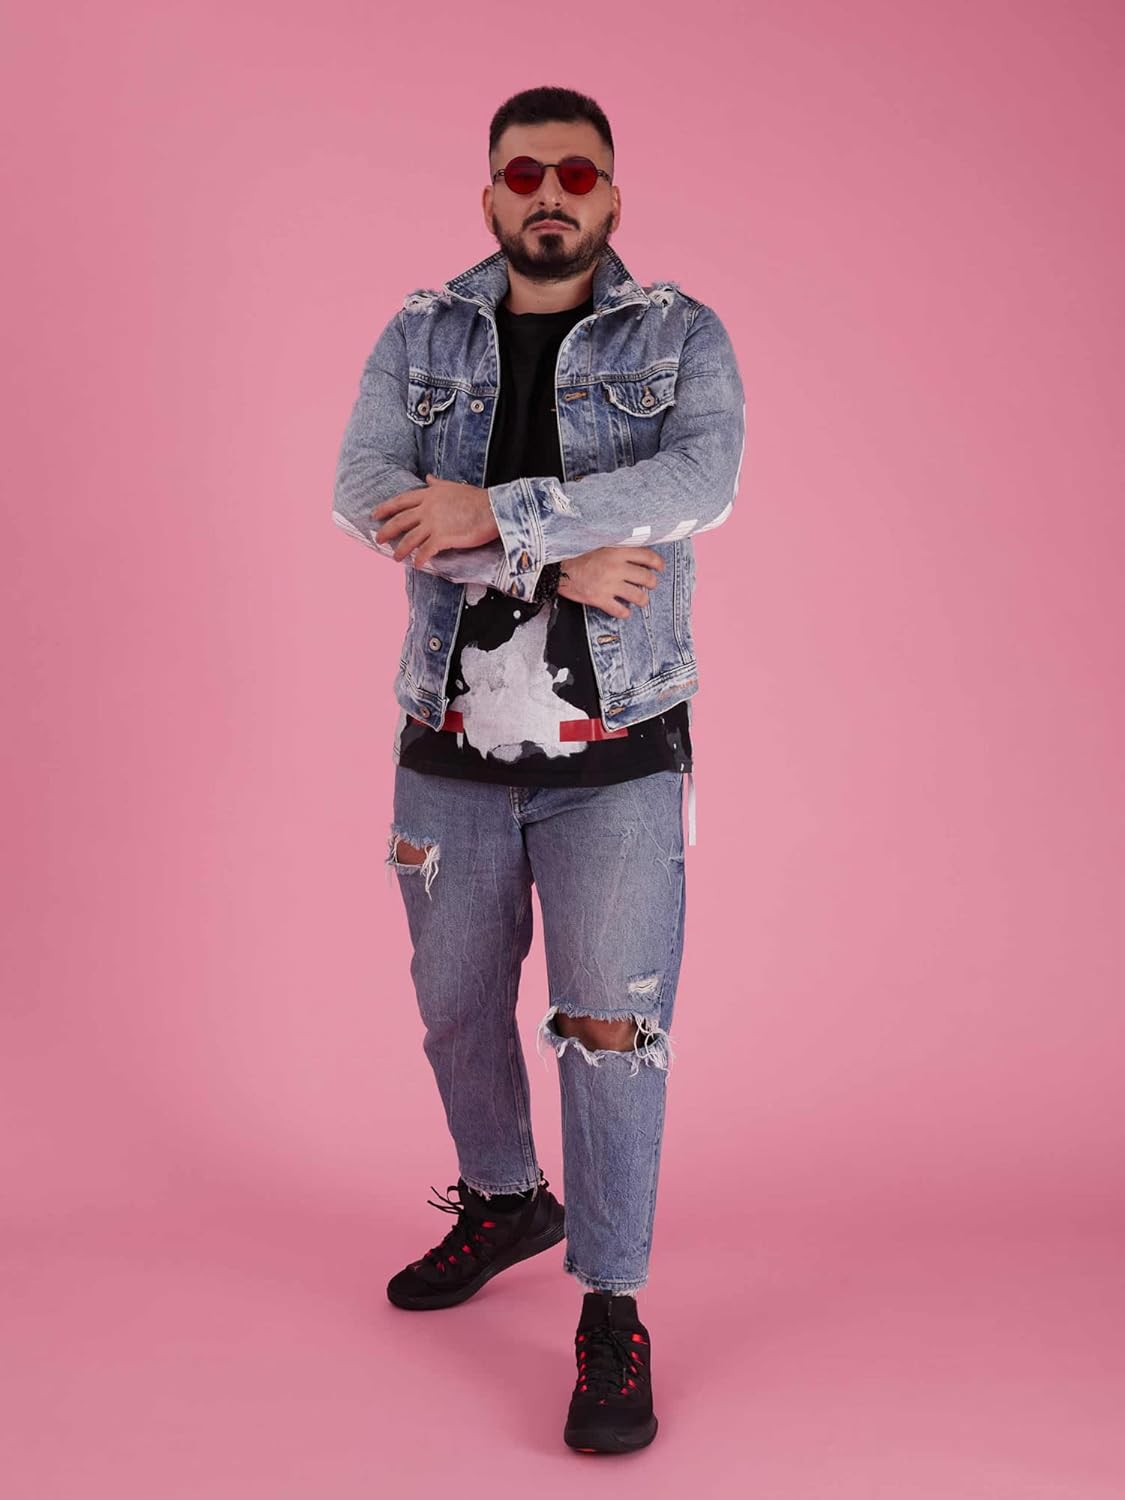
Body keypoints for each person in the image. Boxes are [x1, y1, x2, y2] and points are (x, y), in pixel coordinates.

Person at [332, 84, 745, 1454]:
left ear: (612, 195)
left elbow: (699, 482)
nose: (549, 193)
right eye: (524, 173)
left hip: (620, 752)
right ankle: (507, 1199)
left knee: (610, 1029)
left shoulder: (676, 334)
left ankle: (611, 1305)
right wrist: (548, 559)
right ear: (490, 196)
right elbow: (364, 494)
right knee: (455, 1008)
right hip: (445, 750)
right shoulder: (422, 333)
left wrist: (491, 510)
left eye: (576, 172)